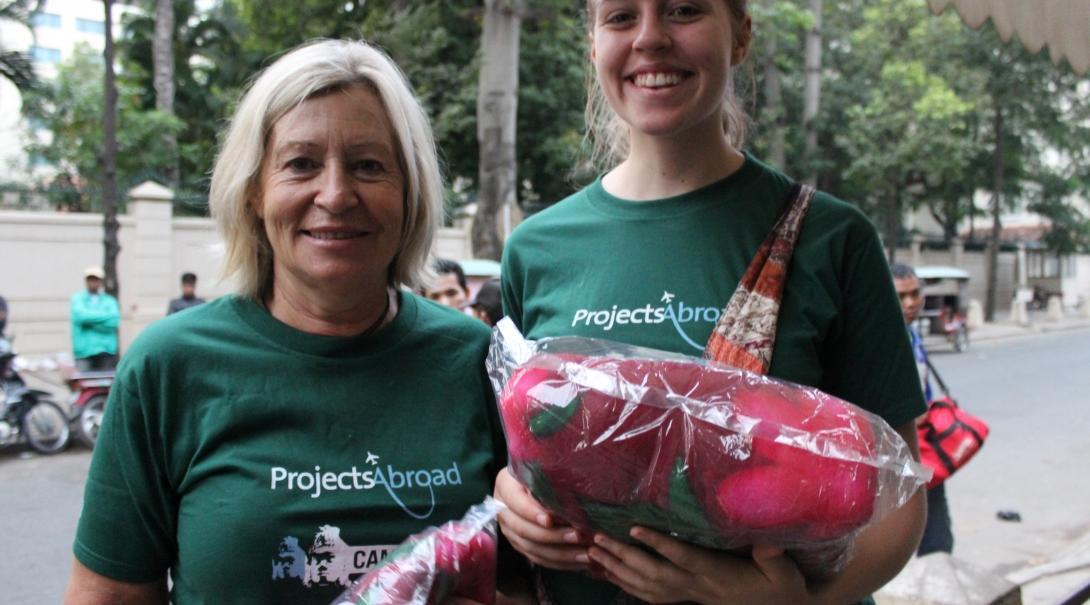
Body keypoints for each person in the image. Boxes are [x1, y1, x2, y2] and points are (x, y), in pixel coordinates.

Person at [495, 1, 928, 603]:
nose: (650, 39)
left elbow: (899, 499)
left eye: (683, 10)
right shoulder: (535, 249)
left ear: (741, 34)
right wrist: (510, 503)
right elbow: (517, 453)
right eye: (622, 17)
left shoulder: (831, 238)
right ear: (593, 45)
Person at [64, 40, 513, 605]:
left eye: (368, 165)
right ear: (254, 192)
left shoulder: (477, 360)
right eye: (300, 164)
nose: (336, 194)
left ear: (410, 190)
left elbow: (532, 579)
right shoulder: (167, 366)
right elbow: (110, 595)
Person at [892, 263, 954, 557]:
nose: (911, 303)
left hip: (923, 444)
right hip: (898, 450)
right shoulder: (884, 340)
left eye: (916, 294)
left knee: (936, 528)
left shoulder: (912, 334)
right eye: (901, 296)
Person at [70, 266, 121, 371]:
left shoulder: (110, 301)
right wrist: (103, 317)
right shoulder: (77, 299)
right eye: (90, 279)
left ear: (101, 281)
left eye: (96, 279)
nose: (93, 282)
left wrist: (90, 319)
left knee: (106, 385)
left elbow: (114, 320)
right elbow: (81, 317)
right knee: (84, 385)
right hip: (84, 352)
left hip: (106, 351)